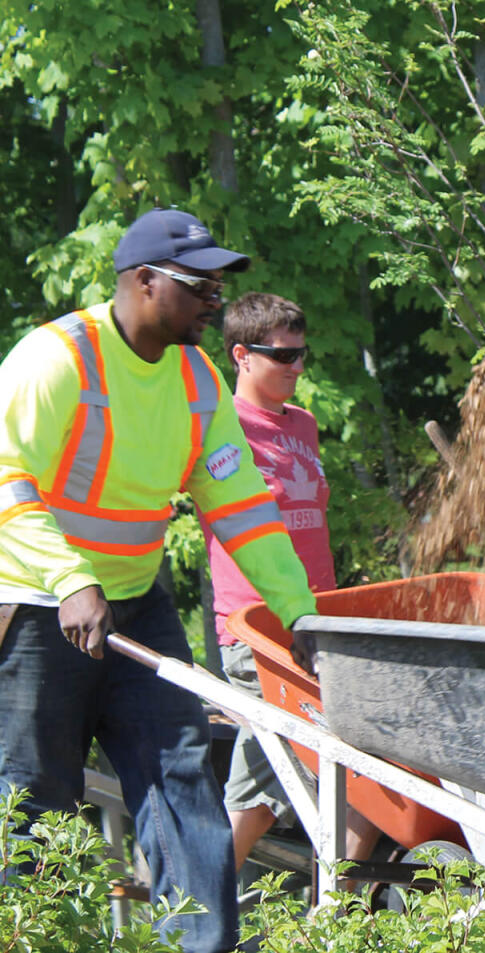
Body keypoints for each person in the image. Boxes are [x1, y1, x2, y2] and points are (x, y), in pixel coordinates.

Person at [0, 209, 319, 953]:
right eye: (198, 283)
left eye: (216, 284)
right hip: (41, 607)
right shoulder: (56, 360)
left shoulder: (199, 381)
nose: (215, 297)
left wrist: (299, 613)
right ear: (144, 283)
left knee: (184, 782)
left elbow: (242, 509)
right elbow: (7, 483)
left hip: (135, 606)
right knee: (34, 806)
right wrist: (73, 577)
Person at [205, 292, 381, 872]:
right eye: (282, 356)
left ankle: (327, 919)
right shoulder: (218, 427)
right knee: (310, 785)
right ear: (242, 356)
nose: (297, 368)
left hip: (316, 628)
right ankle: (189, 916)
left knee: (341, 776)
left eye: (302, 354)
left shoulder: (303, 424)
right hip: (256, 632)